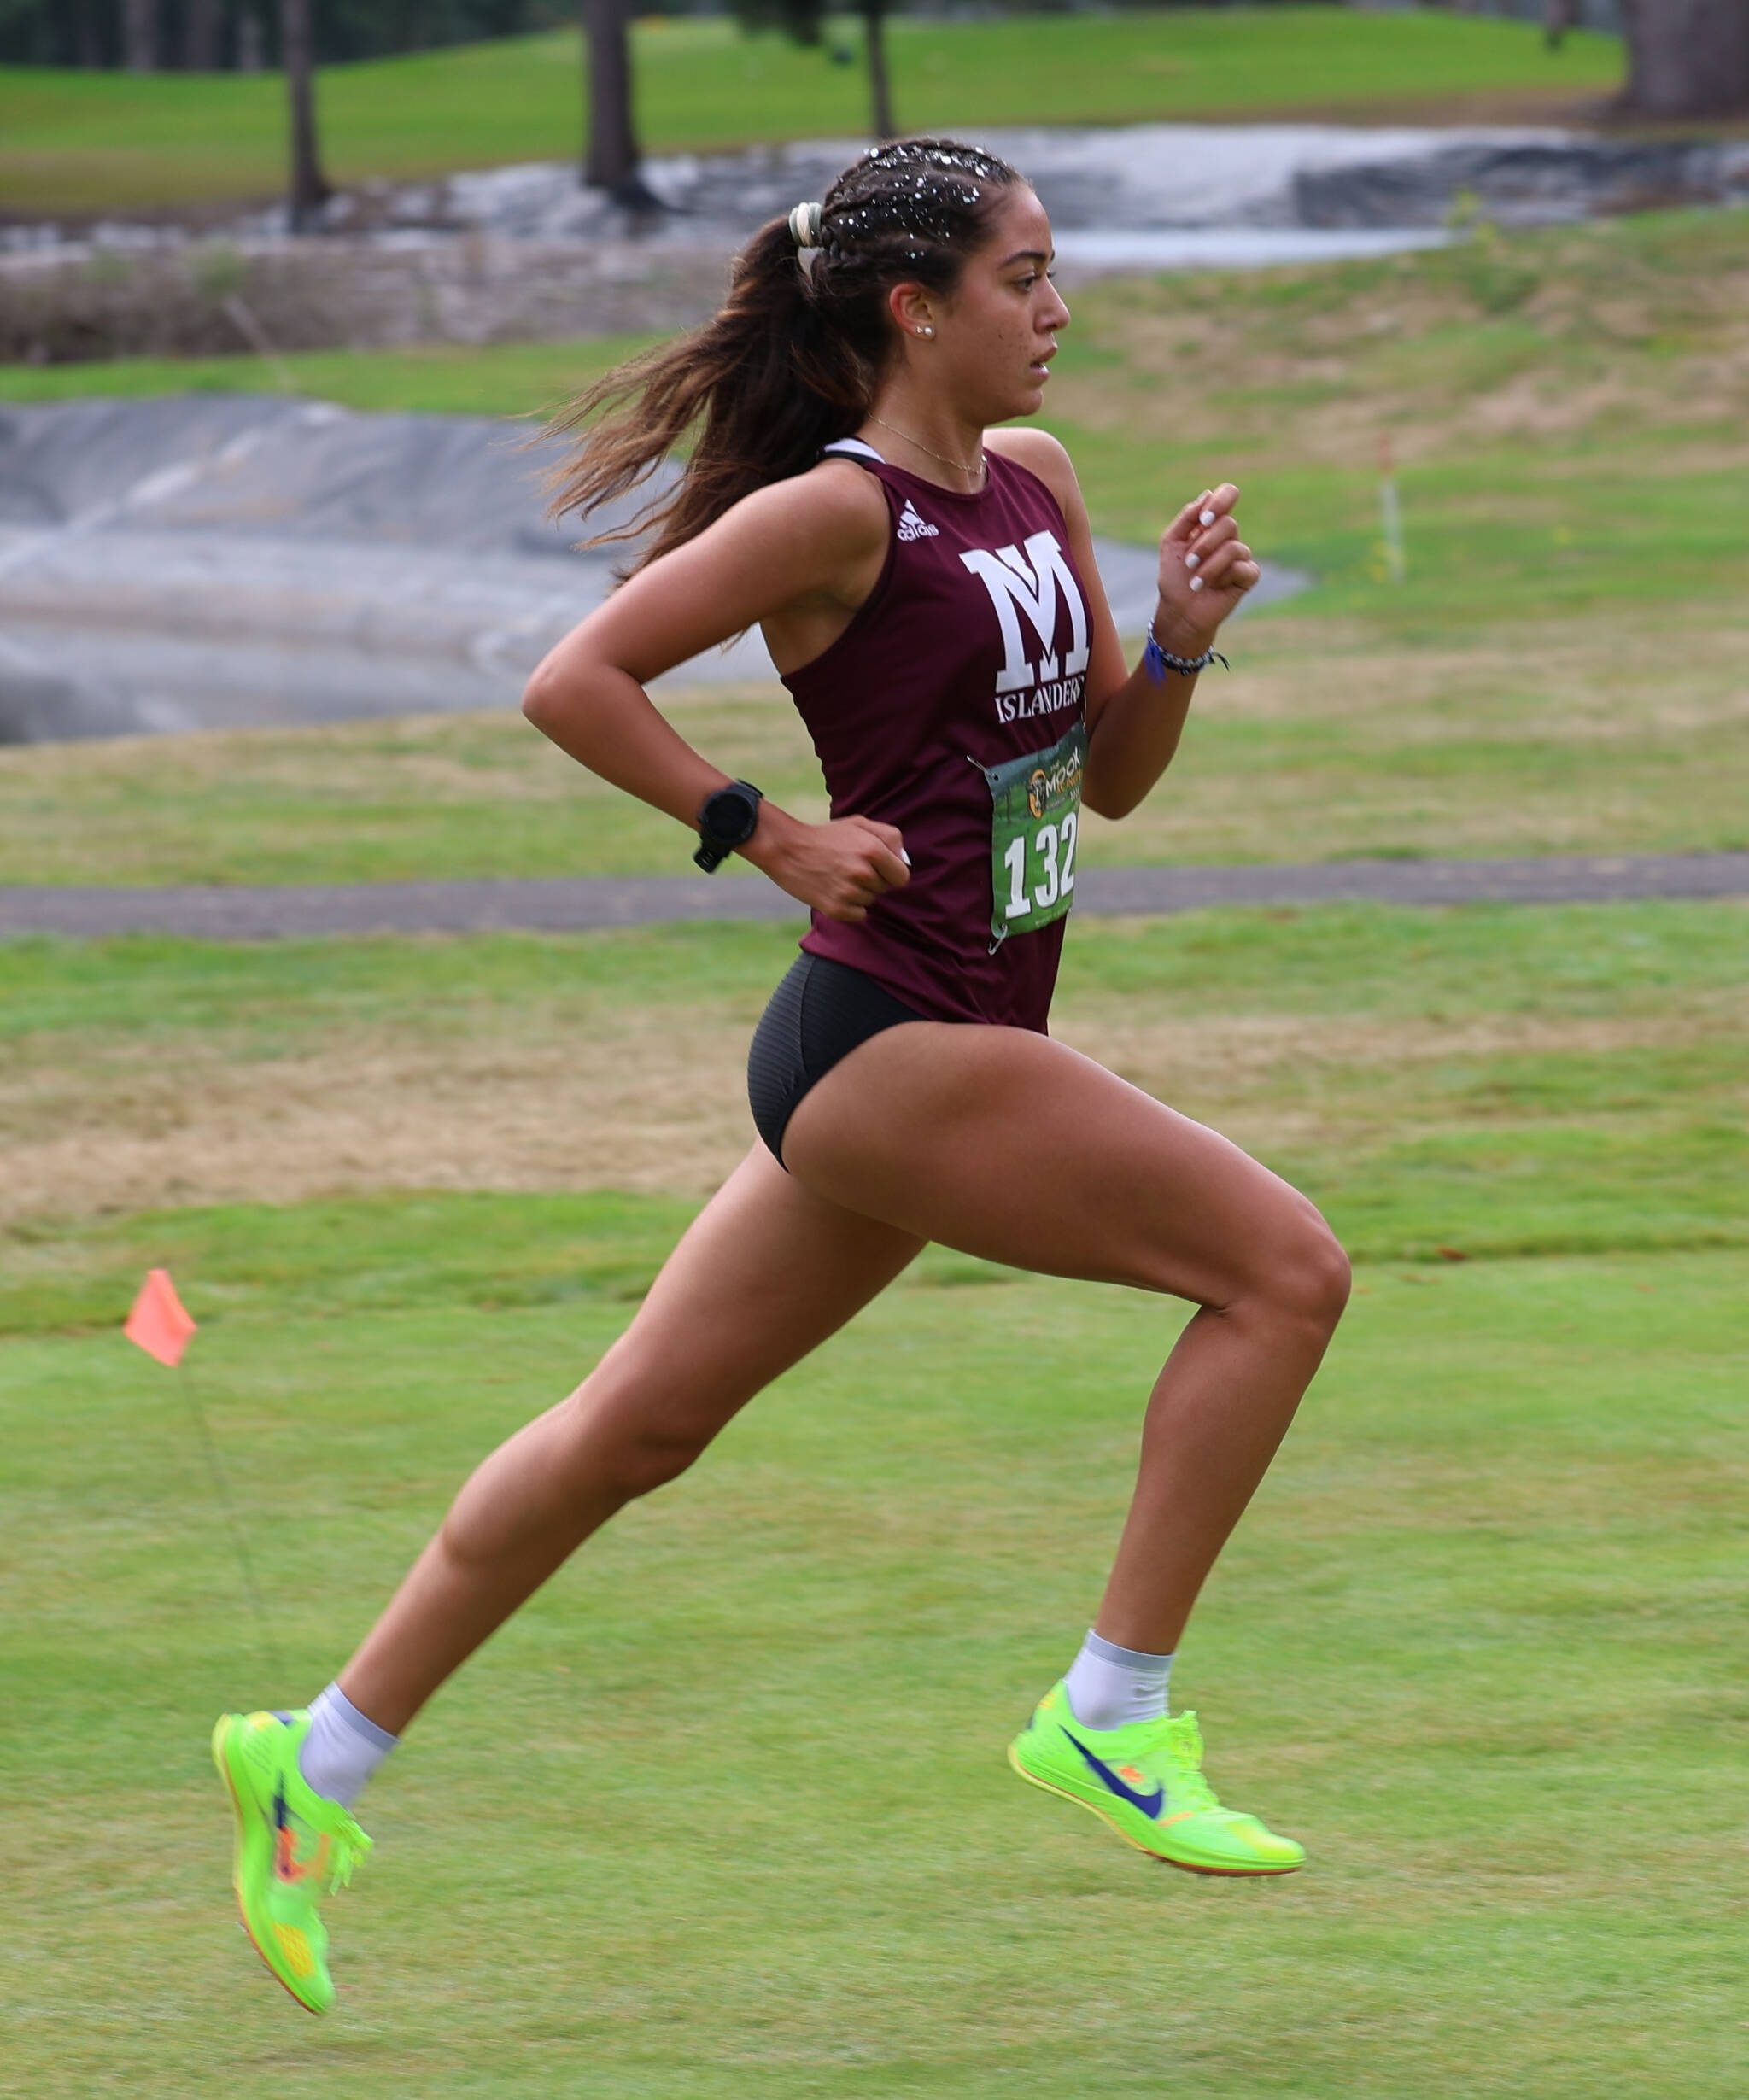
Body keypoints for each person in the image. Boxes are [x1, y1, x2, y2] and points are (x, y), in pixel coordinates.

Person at [212, 137, 1350, 2015]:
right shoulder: (835, 517)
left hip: (939, 1044)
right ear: (916, 307)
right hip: (895, 1037)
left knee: (634, 1433)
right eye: (1023, 279)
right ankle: (1113, 1713)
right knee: (1283, 1272)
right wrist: (769, 832)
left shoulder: (1039, 485)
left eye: (1054, 275)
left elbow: (1108, 785)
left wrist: (1179, 646)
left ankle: (311, 1765)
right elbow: (573, 678)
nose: (1056, 313)